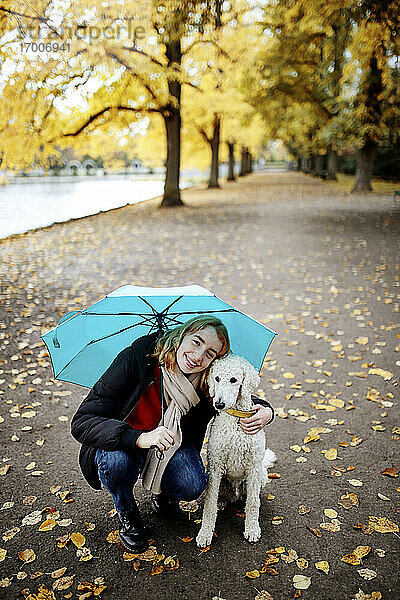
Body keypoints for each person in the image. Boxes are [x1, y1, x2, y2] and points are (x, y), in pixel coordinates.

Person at [70, 315, 274, 553]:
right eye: (196, 342)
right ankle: (126, 512)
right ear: (181, 336)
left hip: (170, 446)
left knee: (191, 484)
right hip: (124, 441)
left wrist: (267, 411)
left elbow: (233, 395)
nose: (198, 356)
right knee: (116, 463)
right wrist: (140, 437)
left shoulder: (206, 381)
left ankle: (164, 493)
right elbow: (82, 421)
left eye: (210, 353)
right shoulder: (136, 358)